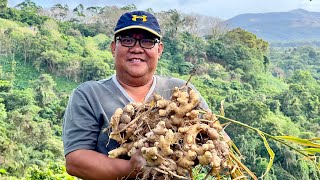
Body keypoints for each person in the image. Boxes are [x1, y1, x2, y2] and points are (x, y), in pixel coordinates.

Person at [63, 10, 209, 180]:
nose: (137, 48)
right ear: (113, 48)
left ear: (159, 50)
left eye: (147, 41)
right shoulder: (89, 94)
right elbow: (75, 161)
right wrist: (132, 167)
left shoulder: (182, 91)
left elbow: (214, 135)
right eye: (127, 40)